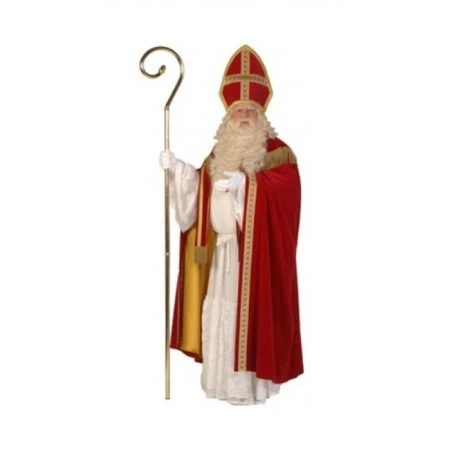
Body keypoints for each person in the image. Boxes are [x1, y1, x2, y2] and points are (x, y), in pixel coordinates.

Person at [159, 44, 303, 405]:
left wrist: (247, 186)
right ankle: (221, 383)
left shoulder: (277, 152)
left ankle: (249, 388)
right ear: (228, 115)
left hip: (253, 257)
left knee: (248, 315)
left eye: (250, 110)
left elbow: (287, 195)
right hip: (220, 253)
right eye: (238, 110)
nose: (243, 116)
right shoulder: (218, 154)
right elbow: (199, 190)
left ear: (261, 114)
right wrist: (177, 170)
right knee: (220, 309)